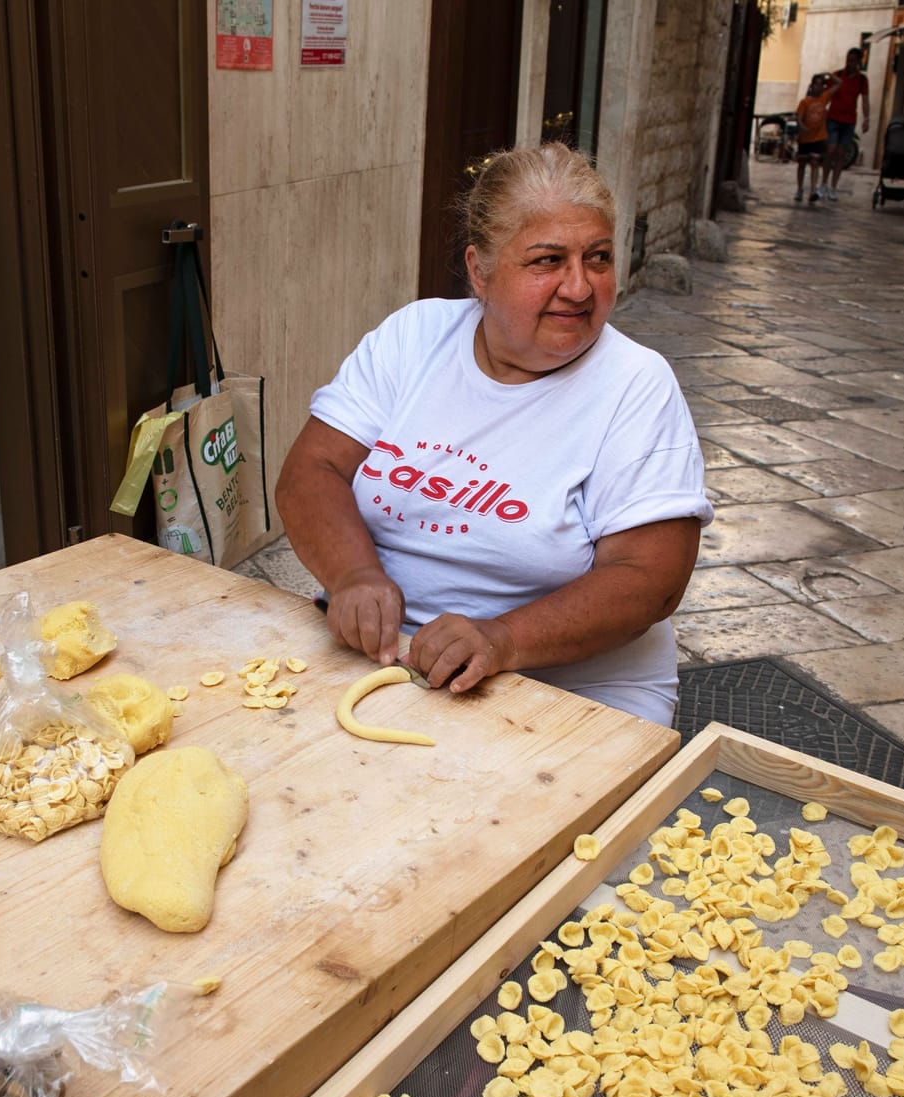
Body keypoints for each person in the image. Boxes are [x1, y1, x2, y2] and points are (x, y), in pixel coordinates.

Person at [276, 143, 714, 724]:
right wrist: (353, 575)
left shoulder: (636, 385)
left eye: (599, 258)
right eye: (547, 261)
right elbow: (312, 471)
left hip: (570, 690)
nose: (580, 287)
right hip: (384, 658)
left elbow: (649, 582)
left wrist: (501, 638)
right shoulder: (415, 337)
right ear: (480, 271)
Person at [820, 46, 871, 201]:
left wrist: (867, 118)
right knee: (830, 150)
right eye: (848, 60)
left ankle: (834, 186)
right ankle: (823, 183)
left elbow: (865, 100)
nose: (849, 63)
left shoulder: (862, 80)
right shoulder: (837, 76)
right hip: (833, 118)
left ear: (858, 62)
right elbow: (826, 95)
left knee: (841, 154)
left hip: (849, 121)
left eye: (853, 61)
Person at [794, 74, 834, 205]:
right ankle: (799, 189)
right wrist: (802, 127)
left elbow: (839, 84)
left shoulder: (824, 98)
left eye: (821, 84)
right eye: (816, 84)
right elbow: (799, 117)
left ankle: (813, 189)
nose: (819, 87)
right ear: (811, 86)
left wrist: (829, 75)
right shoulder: (805, 102)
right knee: (802, 164)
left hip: (818, 137)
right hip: (805, 138)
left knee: (815, 163)